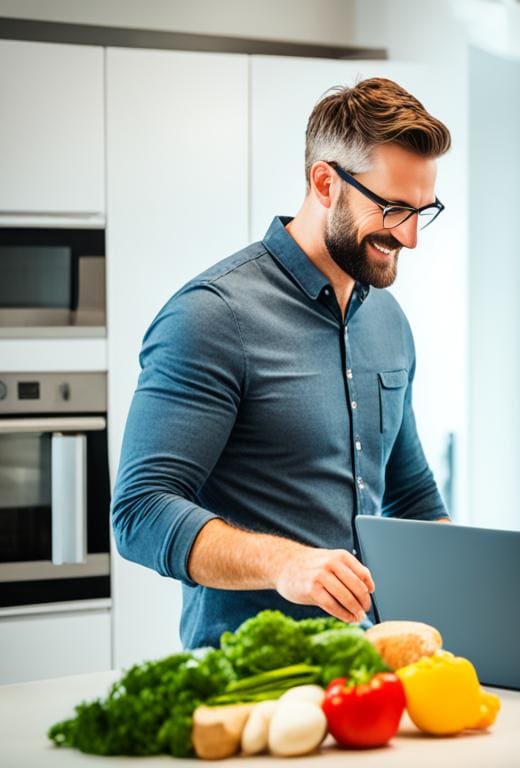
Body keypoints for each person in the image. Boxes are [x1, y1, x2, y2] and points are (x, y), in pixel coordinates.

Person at [112, 78, 452, 649]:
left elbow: (411, 495)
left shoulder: (389, 320)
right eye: (394, 208)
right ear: (326, 182)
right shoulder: (211, 317)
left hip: (370, 667)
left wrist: (483, 587)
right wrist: (284, 563)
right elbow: (140, 511)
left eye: (424, 211)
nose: (411, 237)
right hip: (251, 677)